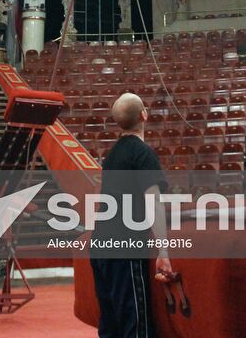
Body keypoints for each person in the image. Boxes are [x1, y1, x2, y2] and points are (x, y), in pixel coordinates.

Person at [90, 92, 172, 338]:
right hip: (124, 246)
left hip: (100, 246)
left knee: (111, 325)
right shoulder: (143, 153)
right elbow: (153, 202)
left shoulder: (111, 155)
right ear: (144, 115)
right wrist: (164, 251)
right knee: (135, 325)